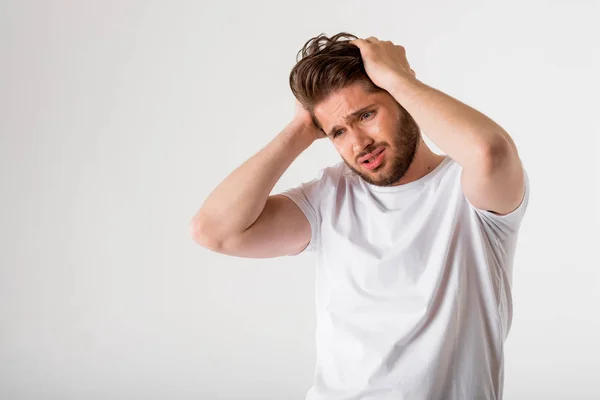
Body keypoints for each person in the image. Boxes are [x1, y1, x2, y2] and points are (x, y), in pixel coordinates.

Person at [190, 32, 530, 400]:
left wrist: (400, 80)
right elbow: (214, 231)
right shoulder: (330, 195)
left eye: (366, 115)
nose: (357, 143)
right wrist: (300, 130)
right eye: (337, 132)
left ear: (401, 99)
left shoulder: (469, 189)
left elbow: (491, 151)